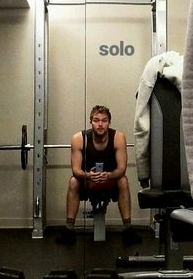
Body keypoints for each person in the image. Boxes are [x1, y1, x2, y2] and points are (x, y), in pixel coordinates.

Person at [56, 105, 142, 246]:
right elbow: (76, 170)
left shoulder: (118, 138)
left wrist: (108, 175)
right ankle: (69, 230)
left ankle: (128, 230)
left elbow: (121, 169)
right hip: (88, 181)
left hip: (111, 180)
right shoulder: (79, 138)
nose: (100, 124)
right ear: (91, 122)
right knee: (73, 181)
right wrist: (89, 175)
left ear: (109, 122)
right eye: (96, 120)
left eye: (104, 120)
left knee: (123, 180)